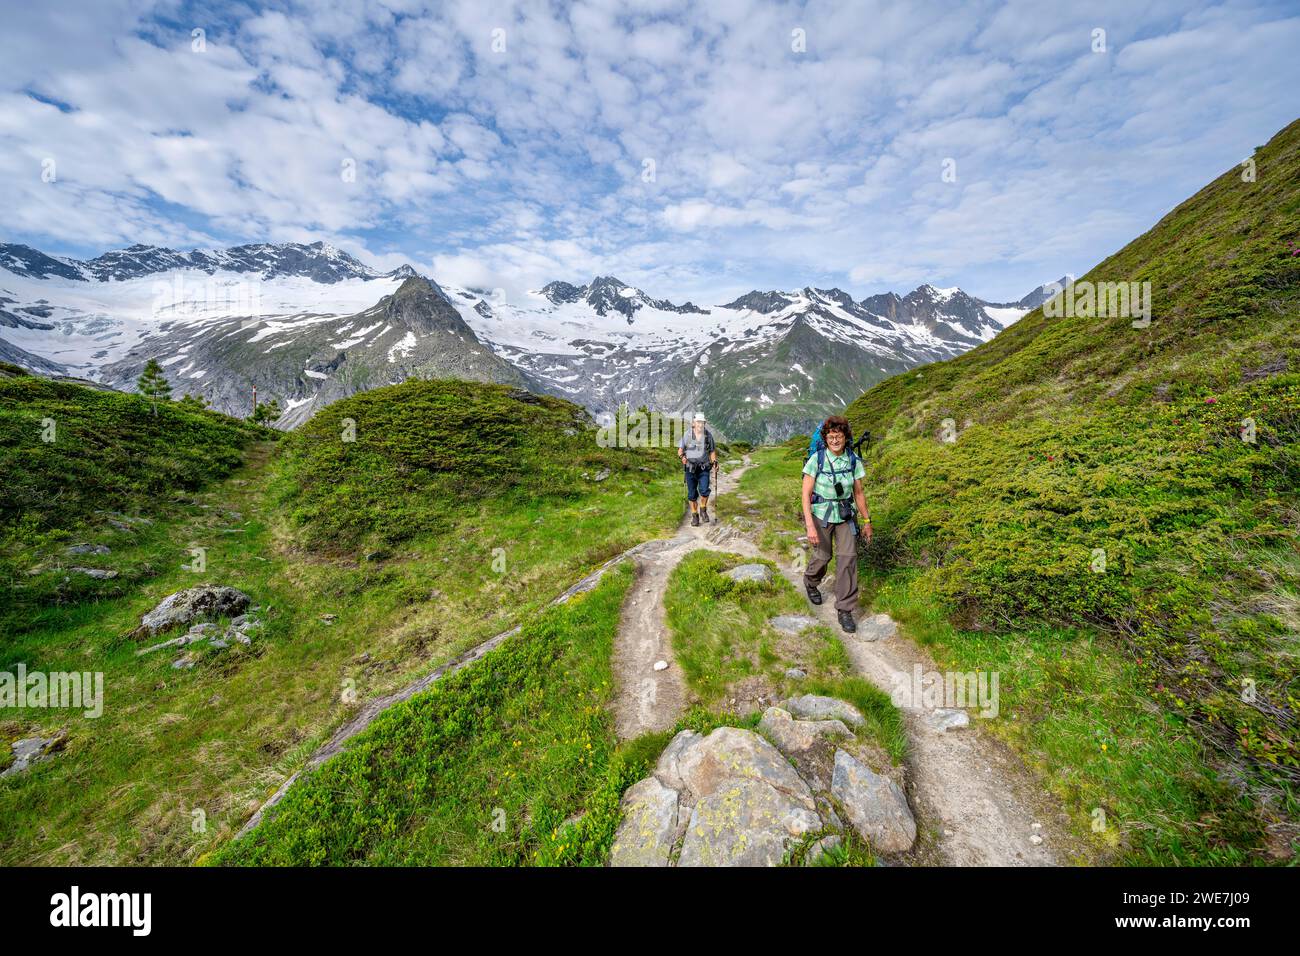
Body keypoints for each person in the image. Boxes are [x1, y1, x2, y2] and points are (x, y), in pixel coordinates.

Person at [801, 415, 872, 632]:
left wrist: (867, 521)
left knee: (848, 559)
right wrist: (810, 526)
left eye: (838, 436)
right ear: (826, 438)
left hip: (845, 515)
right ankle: (811, 581)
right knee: (823, 556)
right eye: (831, 437)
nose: (835, 440)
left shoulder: (852, 460)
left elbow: (859, 493)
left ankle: (845, 609)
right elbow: (805, 495)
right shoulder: (817, 459)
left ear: (845, 437)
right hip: (821, 514)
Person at [679, 412, 717, 526]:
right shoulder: (687, 435)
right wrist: (682, 457)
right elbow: (680, 450)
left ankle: (703, 509)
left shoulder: (708, 436)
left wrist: (714, 461)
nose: (700, 424)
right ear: (694, 423)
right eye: (698, 422)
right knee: (692, 495)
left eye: (702, 422)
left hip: (704, 468)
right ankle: (695, 515)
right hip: (690, 469)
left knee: (705, 491)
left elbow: (712, 451)